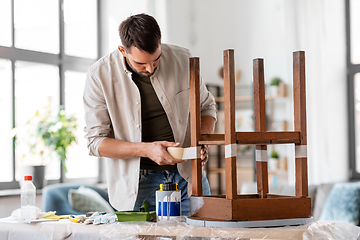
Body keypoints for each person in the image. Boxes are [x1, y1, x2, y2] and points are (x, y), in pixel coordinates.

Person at [83, 13, 217, 216]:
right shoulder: (99, 75)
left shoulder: (183, 59)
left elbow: (206, 108)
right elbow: (95, 142)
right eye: (141, 64)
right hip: (136, 182)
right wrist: (147, 150)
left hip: (189, 175)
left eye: (156, 60)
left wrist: (203, 141)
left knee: (203, 236)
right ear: (122, 50)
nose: (151, 68)